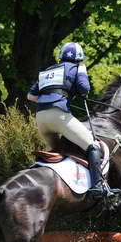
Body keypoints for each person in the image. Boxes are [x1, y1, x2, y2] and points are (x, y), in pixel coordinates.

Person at [27, 42, 105, 198]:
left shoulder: (47, 70)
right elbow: (84, 88)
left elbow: (30, 96)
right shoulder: (78, 67)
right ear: (79, 58)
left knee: (53, 155)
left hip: (41, 118)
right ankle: (97, 187)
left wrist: (48, 99)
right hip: (59, 115)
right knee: (93, 146)